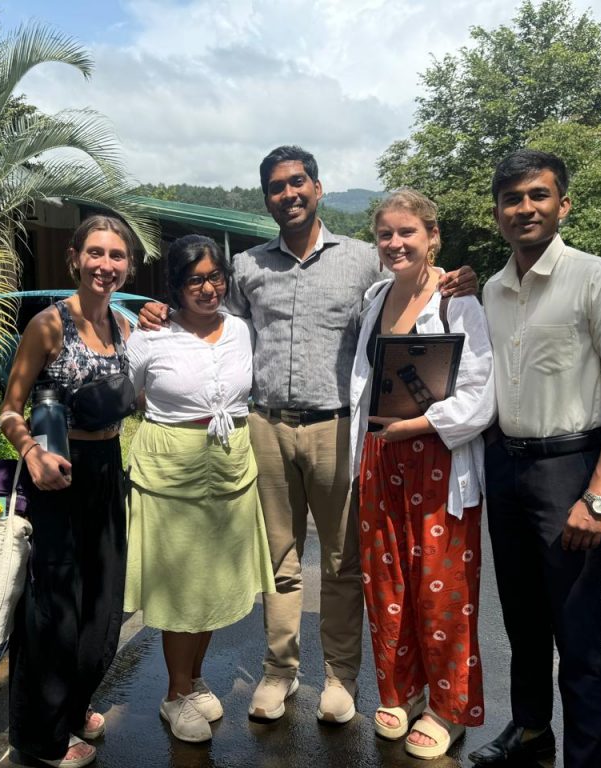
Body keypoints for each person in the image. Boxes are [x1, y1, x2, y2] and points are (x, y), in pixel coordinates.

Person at [140, 146, 477, 725]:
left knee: (345, 561)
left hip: (337, 426)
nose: (288, 194)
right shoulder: (246, 267)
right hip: (265, 426)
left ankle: (341, 678)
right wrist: (160, 314)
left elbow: (413, 280)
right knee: (281, 561)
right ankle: (279, 671)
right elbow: (214, 318)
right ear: (266, 197)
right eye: (276, 187)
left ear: (317, 189)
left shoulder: (363, 261)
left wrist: (452, 278)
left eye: (298, 183)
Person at [469, 150, 601, 768]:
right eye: (512, 199)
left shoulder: (598, 278)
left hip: (570, 469)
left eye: (538, 195)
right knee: (521, 621)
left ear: (562, 204)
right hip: (506, 466)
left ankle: (587, 757)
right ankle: (530, 730)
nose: (525, 208)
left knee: (576, 634)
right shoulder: (489, 291)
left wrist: (599, 495)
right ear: (497, 213)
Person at [347, 189, 495, 759]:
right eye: (385, 234)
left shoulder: (458, 302)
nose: (395, 243)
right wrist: (379, 440)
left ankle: (449, 707)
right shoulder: (376, 297)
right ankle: (401, 690)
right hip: (381, 457)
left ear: (433, 236)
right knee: (387, 585)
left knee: (442, 590)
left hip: (436, 458)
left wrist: (422, 427)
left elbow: (482, 395)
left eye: (407, 232)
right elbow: (364, 384)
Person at [124, 234, 275, 743]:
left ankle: (192, 679)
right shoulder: (151, 335)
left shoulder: (240, 330)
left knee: (212, 583)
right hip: (172, 468)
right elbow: (124, 391)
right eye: (195, 280)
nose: (208, 288)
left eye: (215, 277)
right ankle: (173, 694)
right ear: (176, 286)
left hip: (230, 462)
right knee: (181, 585)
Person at [0, 215, 135, 768]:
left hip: (107, 468)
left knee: (102, 599)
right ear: (75, 257)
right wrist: (32, 452)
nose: (106, 264)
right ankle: (41, 738)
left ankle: (74, 704)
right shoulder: (49, 326)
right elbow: (10, 410)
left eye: (117, 255)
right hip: (55, 473)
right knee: (54, 606)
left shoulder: (125, 326)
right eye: (96, 253)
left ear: (129, 264)